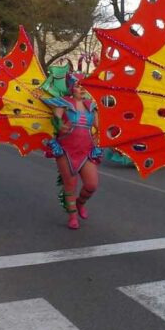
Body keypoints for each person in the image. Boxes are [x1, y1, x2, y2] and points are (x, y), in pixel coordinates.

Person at [42, 71, 101, 230]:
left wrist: (106, 134)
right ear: (71, 88)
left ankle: (80, 203)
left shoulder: (91, 106)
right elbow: (56, 119)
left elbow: (100, 127)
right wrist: (60, 125)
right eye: (78, 85)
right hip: (66, 150)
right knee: (70, 184)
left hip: (86, 150)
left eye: (84, 86)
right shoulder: (63, 103)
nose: (82, 89)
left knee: (91, 184)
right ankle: (73, 217)